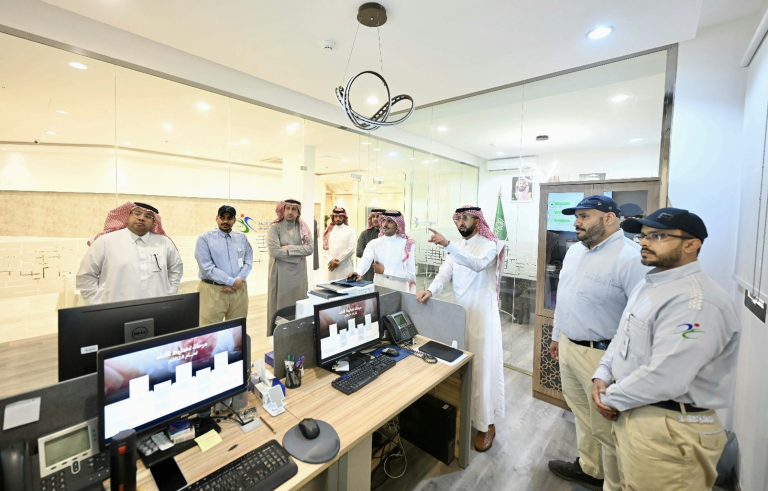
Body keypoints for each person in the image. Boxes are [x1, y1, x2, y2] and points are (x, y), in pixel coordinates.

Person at [591, 208, 740, 490]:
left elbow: (666, 376)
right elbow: (622, 336)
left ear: (691, 245)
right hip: (634, 413)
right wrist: (602, 373)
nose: (645, 242)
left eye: (658, 236)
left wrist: (610, 397)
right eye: (644, 236)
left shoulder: (697, 301)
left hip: (671, 428)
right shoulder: (650, 284)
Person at [547, 196, 649, 490]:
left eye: (585, 216)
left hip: (602, 357)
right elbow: (564, 298)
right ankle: (590, 469)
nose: (577, 222)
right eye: (576, 217)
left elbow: (639, 320)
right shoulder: (574, 252)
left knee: (608, 428)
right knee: (582, 415)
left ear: (610, 218)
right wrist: (556, 335)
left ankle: (614, 483)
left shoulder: (631, 258)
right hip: (568, 347)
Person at [415, 205, 505, 452]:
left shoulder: (490, 245)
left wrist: (448, 245)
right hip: (460, 317)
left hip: (483, 318)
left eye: (466, 218)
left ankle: (486, 425)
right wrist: (430, 290)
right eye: (458, 219)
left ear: (477, 220)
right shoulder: (457, 247)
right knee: (462, 369)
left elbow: (477, 264)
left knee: (482, 370)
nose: (461, 223)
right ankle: (465, 414)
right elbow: (445, 273)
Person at [77, 201, 183, 305]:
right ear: (128, 215)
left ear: (153, 222)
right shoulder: (105, 241)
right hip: (115, 311)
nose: (141, 218)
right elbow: (86, 275)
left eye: (148, 216)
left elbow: (176, 269)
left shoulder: (164, 242)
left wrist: (170, 294)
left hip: (157, 309)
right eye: (137, 213)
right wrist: (96, 304)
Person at [194, 205, 254, 326]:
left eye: (229, 218)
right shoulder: (205, 239)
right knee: (210, 331)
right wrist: (232, 282)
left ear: (234, 220)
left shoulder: (242, 238)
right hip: (213, 291)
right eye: (222, 217)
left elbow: (248, 260)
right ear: (217, 218)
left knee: (237, 328)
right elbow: (206, 267)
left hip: (239, 291)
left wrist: (239, 279)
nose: (225, 221)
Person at [267, 198, 313, 331]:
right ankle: (278, 335)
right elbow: (275, 251)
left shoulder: (303, 227)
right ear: (283, 210)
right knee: (280, 310)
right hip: (280, 275)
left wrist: (289, 248)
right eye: (288, 208)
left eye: (294, 209)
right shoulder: (275, 227)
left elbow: (310, 249)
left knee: (298, 308)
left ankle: (298, 333)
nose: (290, 212)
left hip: (299, 277)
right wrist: (298, 257)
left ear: (298, 212)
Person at [347, 210, 416, 292]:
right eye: (383, 220)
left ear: (397, 225)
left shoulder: (407, 244)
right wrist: (358, 272)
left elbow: (410, 274)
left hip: (399, 290)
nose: (385, 224)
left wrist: (385, 271)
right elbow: (366, 259)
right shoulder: (374, 243)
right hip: (379, 288)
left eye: (390, 221)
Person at [322, 206, 356, 280]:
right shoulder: (328, 231)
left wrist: (338, 260)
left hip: (345, 267)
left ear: (344, 217)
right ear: (333, 217)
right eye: (336, 216)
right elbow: (323, 249)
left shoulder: (350, 231)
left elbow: (351, 249)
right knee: (331, 286)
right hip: (331, 267)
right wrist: (330, 260)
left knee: (345, 286)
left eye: (340, 216)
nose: (338, 219)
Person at [356, 208, 386, 281]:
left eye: (378, 216)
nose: (375, 219)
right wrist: (373, 258)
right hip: (368, 272)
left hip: (384, 272)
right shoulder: (365, 234)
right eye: (373, 216)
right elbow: (359, 252)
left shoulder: (387, 234)